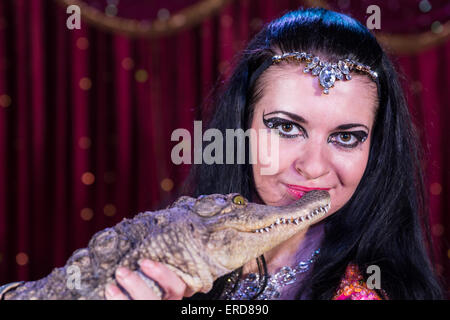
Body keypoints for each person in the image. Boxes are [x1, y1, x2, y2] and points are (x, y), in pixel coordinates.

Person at [103, 7, 444, 300]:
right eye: (286, 128)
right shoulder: (163, 249)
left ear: (375, 148)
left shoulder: (368, 288)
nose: (312, 166)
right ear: (241, 127)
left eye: (345, 137)